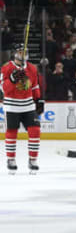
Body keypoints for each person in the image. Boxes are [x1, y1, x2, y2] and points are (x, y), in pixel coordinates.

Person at [1, 43, 43, 174]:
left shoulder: (32, 68)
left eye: (25, 51)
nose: (23, 54)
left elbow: (35, 86)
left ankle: (33, 159)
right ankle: (11, 159)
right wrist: (12, 79)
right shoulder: (6, 68)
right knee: (12, 131)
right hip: (12, 105)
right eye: (20, 52)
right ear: (15, 53)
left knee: (35, 130)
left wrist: (38, 99)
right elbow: (3, 88)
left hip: (28, 105)